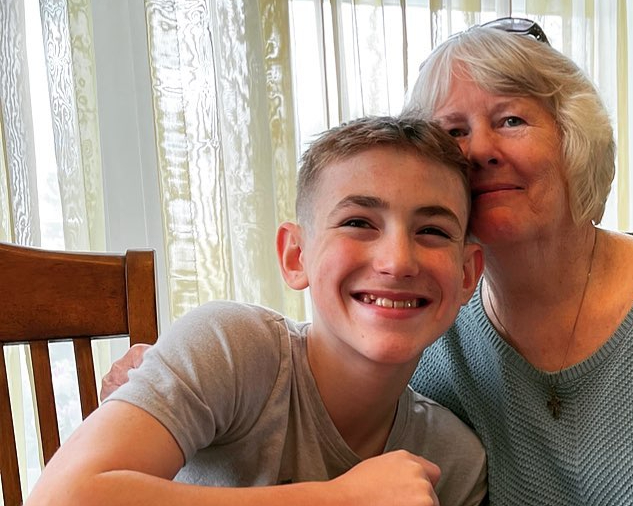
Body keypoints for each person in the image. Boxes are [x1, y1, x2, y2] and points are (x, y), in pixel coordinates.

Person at [100, 18, 633, 506]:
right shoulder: (427, 333)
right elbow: (330, 357)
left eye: (510, 119)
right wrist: (168, 378)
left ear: (574, 143)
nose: (480, 151)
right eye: (452, 133)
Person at [27, 116, 487, 506]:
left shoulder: (455, 459)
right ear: (295, 256)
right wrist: (338, 498)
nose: (397, 261)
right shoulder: (231, 347)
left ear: (467, 274)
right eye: (358, 223)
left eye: (432, 231)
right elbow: (60, 498)